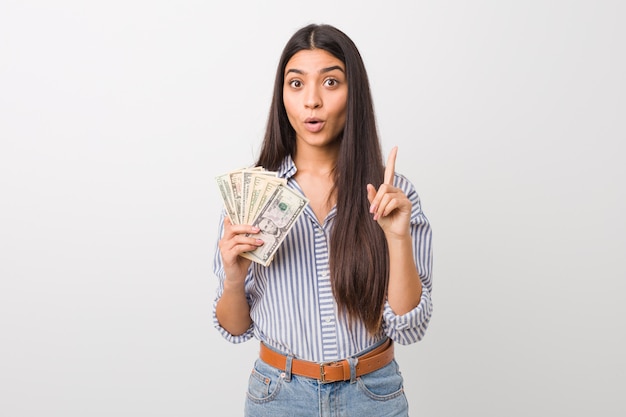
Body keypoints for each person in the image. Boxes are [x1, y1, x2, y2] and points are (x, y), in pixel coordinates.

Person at [212, 23, 433, 416]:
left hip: (373, 395)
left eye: (330, 82)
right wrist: (233, 277)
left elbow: (410, 328)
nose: (311, 101)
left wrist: (397, 239)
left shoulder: (391, 197)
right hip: (278, 397)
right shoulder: (253, 196)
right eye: (296, 84)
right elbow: (234, 327)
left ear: (354, 95)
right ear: (282, 97)